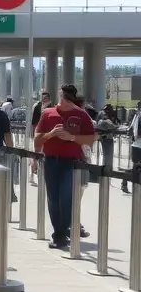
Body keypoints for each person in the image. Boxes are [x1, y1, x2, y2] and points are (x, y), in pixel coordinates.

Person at [34, 84, 97, 250]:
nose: (65, 101)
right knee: (53, 199)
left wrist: (72, 137)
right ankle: (59, 234)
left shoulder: (81, 114)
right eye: (63, 97)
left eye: (69, 98)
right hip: (50, 161)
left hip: (71, 163)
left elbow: (91, 139)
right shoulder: (48, 114)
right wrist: (51, 134)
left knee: (66, 199)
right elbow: (37, 140)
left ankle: (63, 231)